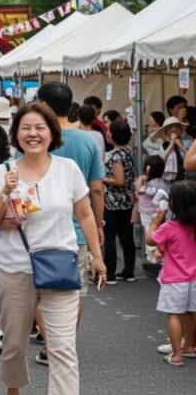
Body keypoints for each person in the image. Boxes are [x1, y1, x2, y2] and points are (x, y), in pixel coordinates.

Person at [0, 102, 106, 395]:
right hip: (16, 267)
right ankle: (13, 391)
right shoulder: (4, 171)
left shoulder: (67, 169)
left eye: (40, 127)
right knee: (14, 340)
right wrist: (6, 191)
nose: (33, 134)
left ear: (52, 132)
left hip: (60, 265)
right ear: (16, 134)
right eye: (26, 128)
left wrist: (97, 256)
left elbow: (84, 214)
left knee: (63, 345)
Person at [36, 81, 105, 359]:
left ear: (43, 105)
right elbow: (96, 189)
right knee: (73, 291)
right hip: (77, 231)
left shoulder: (35, 138)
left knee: (40, 292)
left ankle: (51, 345)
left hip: (39, 230)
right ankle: (65, 344)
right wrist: (98, 225)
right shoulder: (88, 140)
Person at [147, 181, 196, 367]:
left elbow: (150, 240)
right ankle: (189, 346)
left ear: (172, 204)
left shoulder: (169, 227)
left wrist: (155, 221)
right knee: (191, 312)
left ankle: (176, 355)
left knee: (174, 315)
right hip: (194, 278)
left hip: (175, 279)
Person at [103, 120, 137, 284]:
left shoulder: (115, 155)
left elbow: (119, 180)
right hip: (127, 200)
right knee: (127, 237)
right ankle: (129, 272)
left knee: (110, 237)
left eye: (109, 130)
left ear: (114, 135)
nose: (107, 133)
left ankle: (110, 273)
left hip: (113, 202)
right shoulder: (128, 151)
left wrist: (102, 179)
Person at [136, 156, 167, 263]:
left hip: (149, 216)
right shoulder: (159, 181)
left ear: (148, 169)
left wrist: (140, 179)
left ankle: (157, 260)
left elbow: (139, 191)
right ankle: (158, 258)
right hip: (153, 215)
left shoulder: (154, 185)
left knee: (151, 238)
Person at [154, 117, 188, 188]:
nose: (174, 129)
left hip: (187, 182)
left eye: (176, 127)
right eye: (170, 128)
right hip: (167, 184)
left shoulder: (189, 143)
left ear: (181, 130)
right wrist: (171, 144)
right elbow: (158, 163)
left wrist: (181, 147)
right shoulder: (161, 147)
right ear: (165, 132)